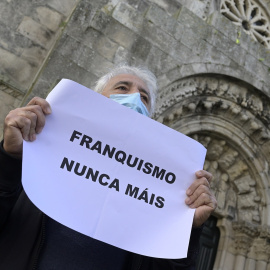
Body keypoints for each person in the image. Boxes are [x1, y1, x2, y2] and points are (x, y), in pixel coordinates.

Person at [0, 65, 217, 270]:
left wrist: (187, 229)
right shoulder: (38, 157)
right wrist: (9, 158)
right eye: (122, 87)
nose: (134, 99)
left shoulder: (155, 197)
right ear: (93, 99)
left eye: (144, 97)